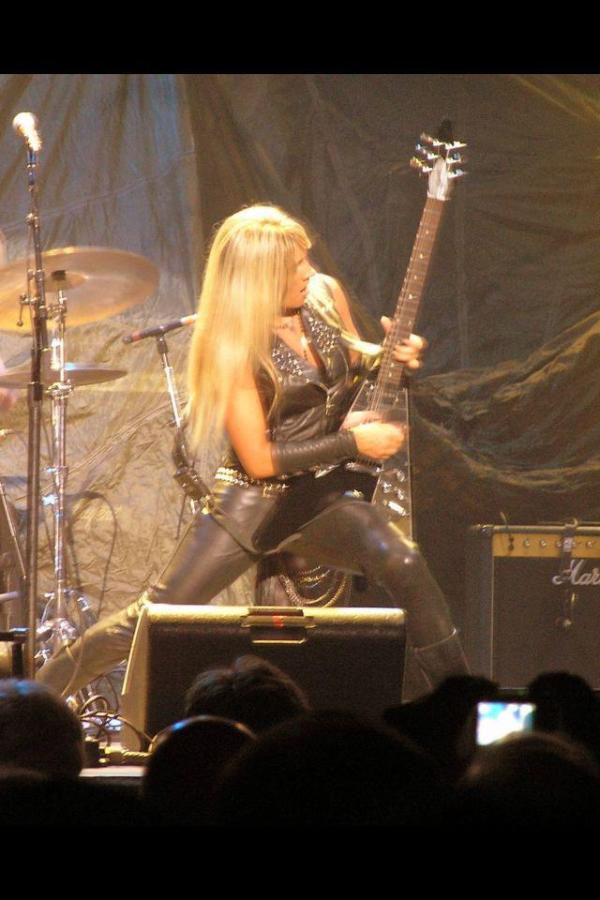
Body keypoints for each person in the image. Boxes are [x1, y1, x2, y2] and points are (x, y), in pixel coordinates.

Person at [38, 204, 468, 697]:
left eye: (306, 259)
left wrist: (392, 359)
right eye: (295, 266)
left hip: (318, 498)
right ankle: (31, 699)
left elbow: (352, 370)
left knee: (404, 562)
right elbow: (259, 461)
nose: (309, 272)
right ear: (260, 277)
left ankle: (463, 699)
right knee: (152, 617)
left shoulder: (324, 296)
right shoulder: (233, 344)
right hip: (252, 505)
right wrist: (353, 442)